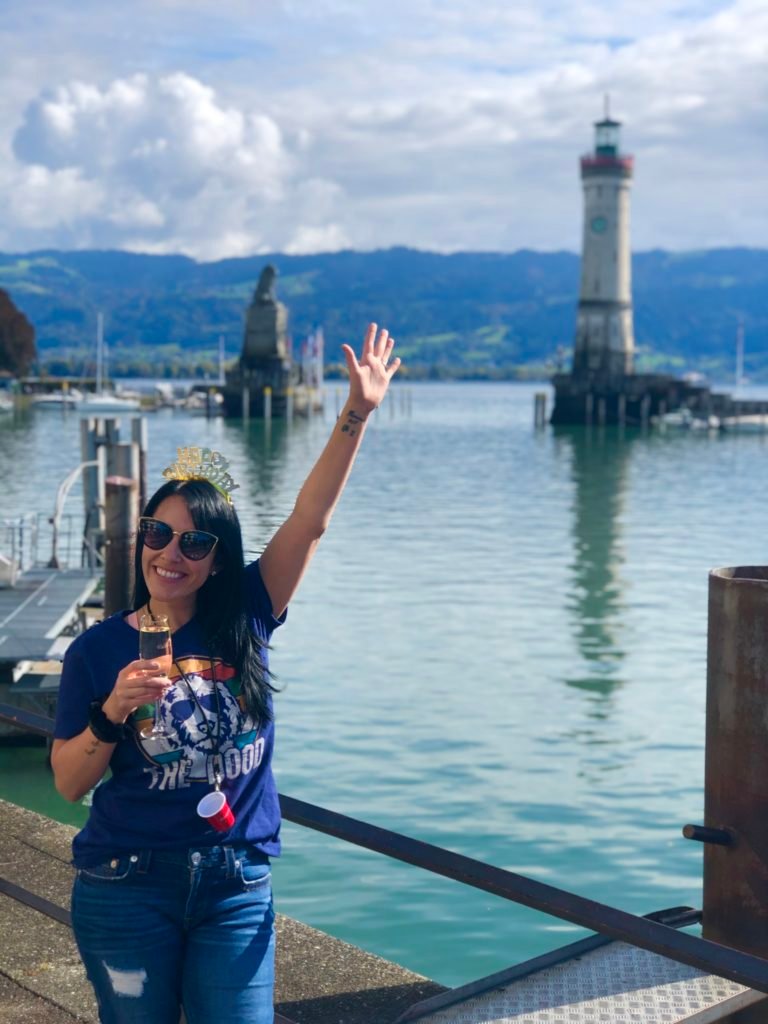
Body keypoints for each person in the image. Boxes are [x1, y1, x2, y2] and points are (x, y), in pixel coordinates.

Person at [52, 324, 400, 1024]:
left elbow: (310, 519)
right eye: (158, 534)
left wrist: (356, 412)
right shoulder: (96, 650)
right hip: (125, 882)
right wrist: (112, 711)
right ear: (140, 537)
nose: (170, 553)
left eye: (195, 541)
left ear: (217, 558)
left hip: (234, 885)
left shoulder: (248, 610)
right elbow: (68, 783)